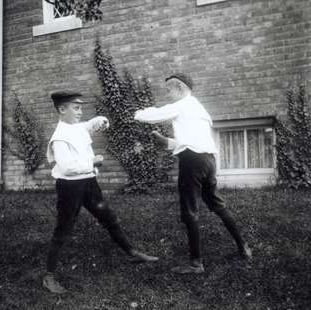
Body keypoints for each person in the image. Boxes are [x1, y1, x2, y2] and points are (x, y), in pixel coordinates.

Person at [134, 73, 252, 274]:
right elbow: (192, 140)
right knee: (216, 204)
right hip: (208, 160)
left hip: (192, 162)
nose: (168, 95)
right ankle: (243, 247)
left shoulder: (182, 104)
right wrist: (167, 142)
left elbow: (150, 115)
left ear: (180, 88)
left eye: (169, 90)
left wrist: (136, 113)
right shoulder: (198, 107)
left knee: (189, 211)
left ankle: (196, 264)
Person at [43, 91, 159, 294]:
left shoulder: (75, 127)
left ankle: (131, 253)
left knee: (109, 218)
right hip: (70, 187)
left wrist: (99, 121)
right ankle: (49, 276)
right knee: (64, 229)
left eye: (81, 107)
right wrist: (92, 161)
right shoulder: (59, 137)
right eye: (76, 108)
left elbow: (86, 126)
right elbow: (67, 167)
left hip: (89, 182)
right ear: (62, 110)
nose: (81, 112)